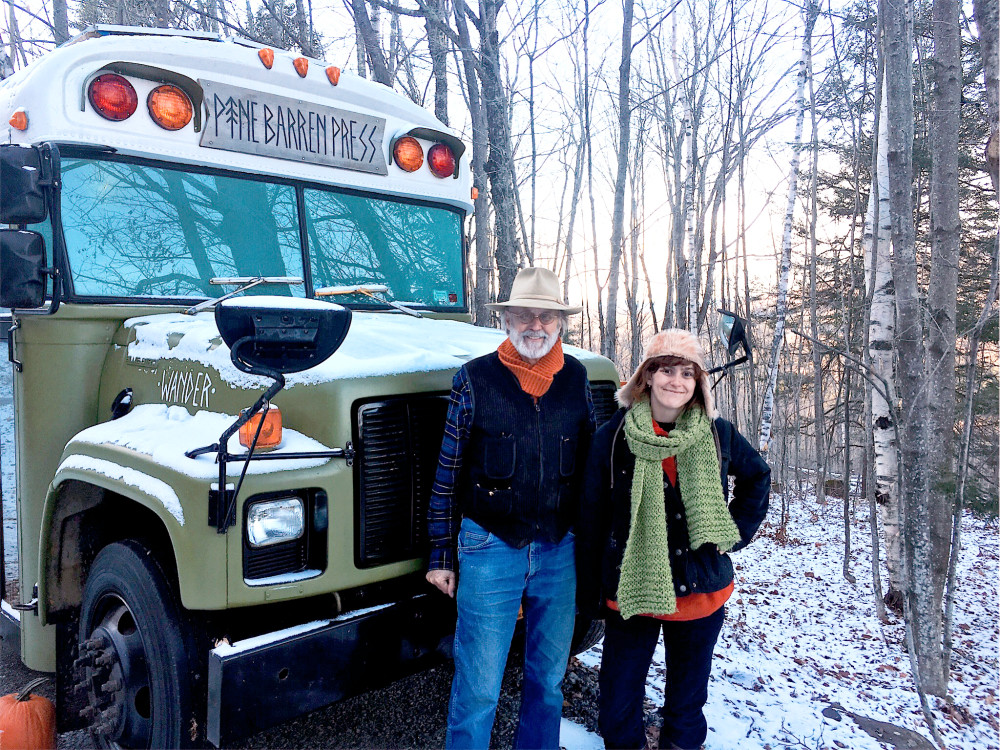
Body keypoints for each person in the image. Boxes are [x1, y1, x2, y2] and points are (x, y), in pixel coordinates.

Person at [426, 266, 596, 750]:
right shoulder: (474, 379)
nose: (535, 325)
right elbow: (447, 472)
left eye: (546, 316)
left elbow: (591, 469)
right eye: (524, 314)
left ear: (561, 323)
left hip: (559, 550)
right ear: (506, 321)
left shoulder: (577, 378)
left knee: (548, 682)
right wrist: (440, 554)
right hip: (489, 546)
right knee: (479, 687)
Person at [576, 329, 770, 750]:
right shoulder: (613, 437)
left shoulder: (716, 432)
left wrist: (733, 533)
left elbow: (757, 477)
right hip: (632, 589)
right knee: (618, 699)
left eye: (687, 373)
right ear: (646, 377)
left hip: (699, 588)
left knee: (686, 701)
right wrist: (590, 590)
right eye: (665, 370)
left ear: (697, 382)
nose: (675, 382)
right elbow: (592, 515)